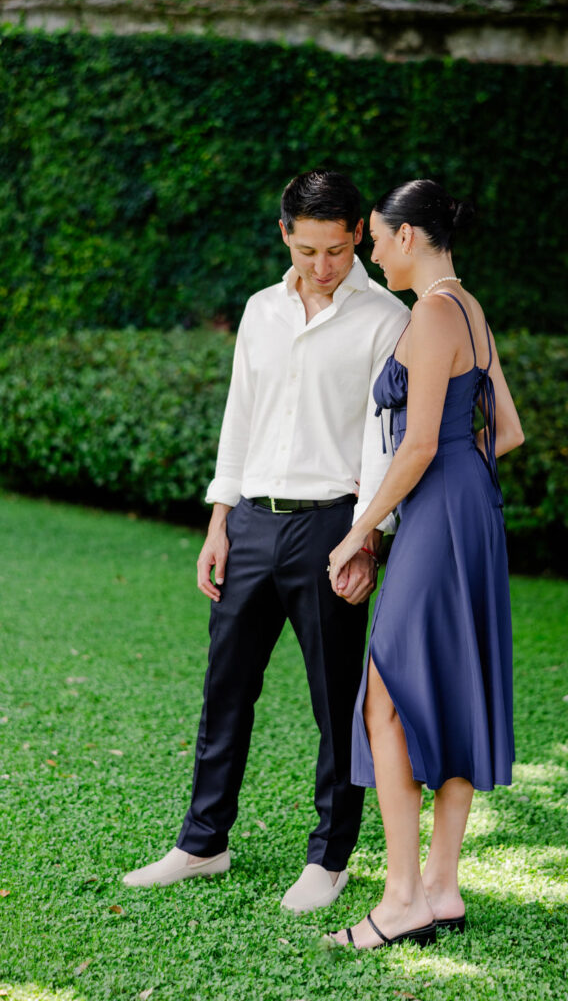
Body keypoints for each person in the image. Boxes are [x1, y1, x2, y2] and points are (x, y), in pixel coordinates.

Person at [123, 170, 408, 912]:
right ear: (285, 234)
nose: (322, 266)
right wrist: (219, 520)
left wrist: (366, 538)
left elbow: (386, 442)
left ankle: (330, 857)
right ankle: (202, 843)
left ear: (357, 239)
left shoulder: (385, 318)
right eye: (309, 249)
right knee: (225, 693)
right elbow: (239, 416)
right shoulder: (259, 310)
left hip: (330, 527)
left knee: (333, 700)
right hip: (250, 519)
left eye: (339, 251)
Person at [326, 179, 524, 949]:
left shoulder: (433, 313)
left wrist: (357, 534)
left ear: (407, 236)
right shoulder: (468, 306)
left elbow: (413, 447)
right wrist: (457, 474)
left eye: (376, 236)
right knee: (448, 685)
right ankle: (439, 889)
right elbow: (503, 431)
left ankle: (404, 897)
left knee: (386, 697)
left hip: (438, 514)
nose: (371, 250)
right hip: (466, 510)